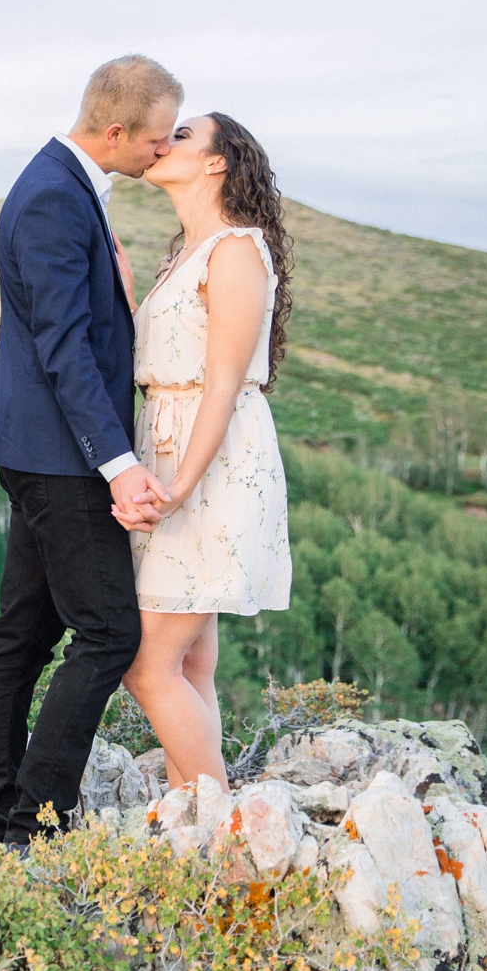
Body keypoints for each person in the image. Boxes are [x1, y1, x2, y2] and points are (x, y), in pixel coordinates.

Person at [0, 54, 180, 847]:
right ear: (117, 130)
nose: (162, 152)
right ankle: (34, 822)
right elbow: (65, 349)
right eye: (157, 139)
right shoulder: (56, 199)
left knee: (22, 632)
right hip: (62, 455)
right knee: (108, 634)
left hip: (36, 445)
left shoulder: (58, 182)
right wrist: (118, 463)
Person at [116, 112, 294, 792]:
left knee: (146, 664)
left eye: (183, 136)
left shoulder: (236, 250)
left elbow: (223, 381)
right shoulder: (189, 254)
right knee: (189, 665)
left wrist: (183, 482)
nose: (164, 144)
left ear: (219, 163)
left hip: (209, 465)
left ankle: (215, 824)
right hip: (169, 448)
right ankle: (203, 814)